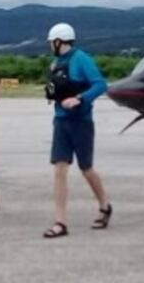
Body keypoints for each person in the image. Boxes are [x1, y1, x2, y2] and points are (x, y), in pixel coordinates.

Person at [43, 22, 112, 239]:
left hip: (81, 122)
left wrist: (80, 98)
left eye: (51, 42)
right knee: (60, 169)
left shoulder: (81, 59)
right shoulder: (56, 63)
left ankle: (104, 204)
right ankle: (60, 222)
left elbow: (100, 84)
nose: (49, 46)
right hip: (61, 121)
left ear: (58, 41)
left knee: (86, 168)